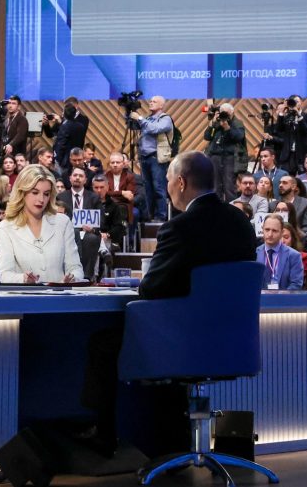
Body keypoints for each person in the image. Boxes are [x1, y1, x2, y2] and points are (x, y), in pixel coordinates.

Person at [81, 151, 256, 457]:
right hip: (234, 344)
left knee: (103, 343)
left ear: (181, 182)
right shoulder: (241, 223)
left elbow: (151, 289)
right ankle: (172, 442)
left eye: (168, 181)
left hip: (184, 343)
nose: (168, 188)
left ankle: (104, 437)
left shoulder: (180, 227)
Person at [0, 164, 84, 284]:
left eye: (46, 194)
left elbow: (75, 268)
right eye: (35, 192)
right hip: (24, 294)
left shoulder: (63, 223)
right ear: (22, 192)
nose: (41, 199)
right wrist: (23, 279)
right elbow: (5, 275)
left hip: (59, 294)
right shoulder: (5, 227)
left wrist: (73, 278)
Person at [131, 95, 174, 222]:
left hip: (156, 158)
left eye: (154, 101)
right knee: (147, 189)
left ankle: (160, 217)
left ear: (161, 105)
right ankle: (149, 216)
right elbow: (132, 126)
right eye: (150, 101)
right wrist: (129, 112)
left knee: (158, 187)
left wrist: (139, 118)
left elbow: (155, 129)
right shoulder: (148, 119)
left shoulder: (165, 119)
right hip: (144, 158)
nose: (150, 103)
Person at [204, 102, 245, 202]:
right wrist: (212, 123)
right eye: (222, 112)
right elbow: (207, 136)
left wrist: (227, 128)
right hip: (215, 157)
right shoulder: (216, 123)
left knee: (229, 186)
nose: (224, 115)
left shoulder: (237, 123)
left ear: (232, 113)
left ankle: (231, 209)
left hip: (230, 158)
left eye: (226, 113)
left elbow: (239, 137)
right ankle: (216, 208)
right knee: (215, 186)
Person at [256, 215, 304, 290]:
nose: (270, 234)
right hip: (259, 296)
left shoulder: (294, 256)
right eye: (267, 230)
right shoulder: (254, 253)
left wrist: (281, 296)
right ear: (262, 230)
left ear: (281, 232)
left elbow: (296, 284)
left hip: (285, 297)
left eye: (274, 231)